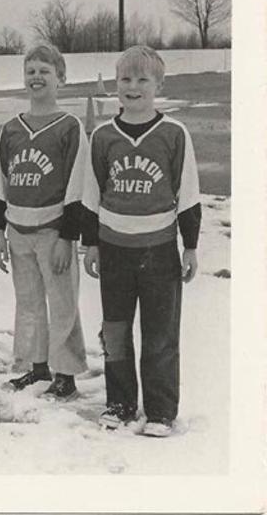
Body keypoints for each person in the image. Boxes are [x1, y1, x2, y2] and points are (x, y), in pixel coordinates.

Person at [81, 45, 200, 437]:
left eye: (142, 79)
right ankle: (120, 404)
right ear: (116, 84)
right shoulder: (103, 136)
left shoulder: (174, 134)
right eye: (125, 79)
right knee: (115, 332)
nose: (133, 86)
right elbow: (91, 193)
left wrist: (190, 245)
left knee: (160, 333)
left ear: (158, 85)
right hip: (114, 249)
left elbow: (188, 193)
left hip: (159, 251)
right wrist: (91, 243)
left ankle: (161, 411)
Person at [0, 44, 88, 400]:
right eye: (30, 71)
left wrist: (67, 236)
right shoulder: (11, 129)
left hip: (53, 230)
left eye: (45, 71)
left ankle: (66, 373)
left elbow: (77, 186)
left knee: (62, 304)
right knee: (29, 302)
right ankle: (37, 367)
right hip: (18, 228)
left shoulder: (70, 127)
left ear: (61, 78)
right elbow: (2, 182)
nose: (36, 77)